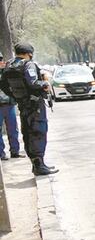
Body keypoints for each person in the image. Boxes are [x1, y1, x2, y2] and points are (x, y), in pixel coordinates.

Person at [0, 44, 57, 175]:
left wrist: (16, 97)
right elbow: (33, 83)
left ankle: (35, 164)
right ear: (29, 53)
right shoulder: (28, 65)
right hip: (34, 105)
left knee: (27, 132)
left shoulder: (9, 65)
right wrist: (45, 84)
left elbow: (3, 85)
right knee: (38, 132)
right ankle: (39, 165)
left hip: (23, 104)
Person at [0, 53, 21, 161]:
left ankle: (15, 151)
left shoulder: (7, 72)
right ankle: (1, 154)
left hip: (9, 105)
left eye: (1, 59)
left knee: (13, 129)